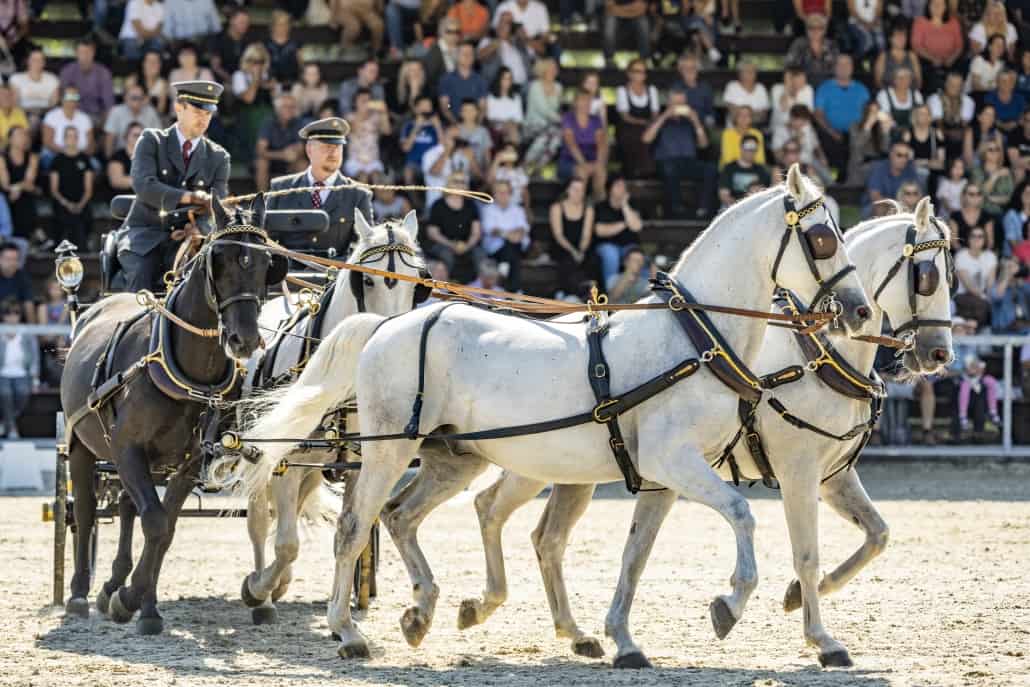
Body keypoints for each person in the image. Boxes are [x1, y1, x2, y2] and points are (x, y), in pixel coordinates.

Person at [116, 81, 230, 293]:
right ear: (179, 108)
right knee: (140, 278)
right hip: (145, 235)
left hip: (190, 239)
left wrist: (200, 229)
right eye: (197, 111)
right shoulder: (152, 140)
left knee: (204, 284)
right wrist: (190, 197)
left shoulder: (218, 157)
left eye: (208, 113)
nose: (203, 119)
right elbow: (143, 186)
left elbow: (218, 206)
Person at [267, 117, 373, 257]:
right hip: (288, 273)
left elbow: (365, 244)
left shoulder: (358, 195)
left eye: (337, 147)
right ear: (309, 149)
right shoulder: (281, 189)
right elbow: (265, 238)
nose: (333, 153)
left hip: (336, 274)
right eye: (327, 146)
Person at [642, 89, 715, 219]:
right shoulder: (660, 119)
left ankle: (703, 209)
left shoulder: (690, 122)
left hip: (688, 162)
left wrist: (696, 121)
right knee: (669, 169)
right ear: (669, 103)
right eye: (676, 103)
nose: (679, 106)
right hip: (666, 161)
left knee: (710, 169)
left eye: (682, 103)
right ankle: (676, 209)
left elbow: (703, 144)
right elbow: (646, 139)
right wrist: (664, 116)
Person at [814, 54, 870, 180]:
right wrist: (831, 131)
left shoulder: (862, 89)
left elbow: (868, 112)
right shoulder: (825, 88)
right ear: (834, 67)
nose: (844, 67)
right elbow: (818, 114)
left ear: (852, 67)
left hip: (856, 133)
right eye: (840, 64)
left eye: (847, 64)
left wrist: (861, 130)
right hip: (831, 133)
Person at [425, 172, 482, 282]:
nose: (460, 185)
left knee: (480, 255)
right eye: (456, 181)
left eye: (463, 182)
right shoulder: (438, 205)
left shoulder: (471, 205)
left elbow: (476, 232)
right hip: (443, 244)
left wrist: (467, 245)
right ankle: (445, 289)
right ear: (448, 184)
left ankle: (477, 289)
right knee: (446, 256)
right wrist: (451, 245)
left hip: (467, 244)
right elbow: (432, 233)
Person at [549, 176, 597, 296]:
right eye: (575, 189)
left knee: (592, 260)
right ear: (568, 190)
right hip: (562, 245)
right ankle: (571, 293)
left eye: (581, 190)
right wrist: (573, 251)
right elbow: (558, 235)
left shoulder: (588, 209)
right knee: (568, 260)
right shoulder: (557, 207)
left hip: (581, 245)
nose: (578, 193)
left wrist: (580, 250)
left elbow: (586, 235)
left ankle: (590, 293)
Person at [48, 127, 94, 250]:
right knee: (63, 218)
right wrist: (66, 204)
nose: (72, 139)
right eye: (69, 136)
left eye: (75, 136)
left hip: (81, 203)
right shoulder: (57, 160)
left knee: (82, 219)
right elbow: (54, 189)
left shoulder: (85, 159)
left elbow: (88, 188)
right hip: (62, 203)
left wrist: (80, 204)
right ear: (64, 139)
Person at [480, 180, 530, 291]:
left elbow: (523, 228)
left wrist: (515, 235)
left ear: (510, 194)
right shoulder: (488, 210)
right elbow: (491, 230)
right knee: (510, 249)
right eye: (499, 192)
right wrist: (508, 235)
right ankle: (515, 290)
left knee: (511, 248)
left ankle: (504, 276)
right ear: (494, 194)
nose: (503, 195)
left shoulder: (518, 209)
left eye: (506, 192)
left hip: (517, 245)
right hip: (495, 248)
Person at [593, 175, 642, 285]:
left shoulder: (631, 206)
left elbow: (636, 226)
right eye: (618, 186)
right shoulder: (600, 207)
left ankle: (636, 292)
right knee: (611, 253)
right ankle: (611, 289)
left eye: (624, 186)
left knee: (637, 256)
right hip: (606, 245)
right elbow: (600, 231)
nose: (622, 189)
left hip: (628, 246)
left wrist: (624, 205)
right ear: (610, 189)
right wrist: (625, 223)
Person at [559, 88, 608, 199]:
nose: (586, 103)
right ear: (575, 102)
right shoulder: (568, 118)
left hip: (592, 160)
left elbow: (601, 144)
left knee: (601, 172)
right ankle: (580, 204)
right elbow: (571, 144)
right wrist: (584, 163)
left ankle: (597, 204)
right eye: (583, 100)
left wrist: (599, 163)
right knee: (583, 172)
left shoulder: (596, 120)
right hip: (570, 160)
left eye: (589, 100)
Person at [0, 298, 38, 440]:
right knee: (5, 393)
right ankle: (13, 429)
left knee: (22, 393)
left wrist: (35, 378)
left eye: (15, 313)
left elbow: (35, 357)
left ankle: (6, 422)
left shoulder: (26, 332)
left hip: (22, 373)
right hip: (2, 374)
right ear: (3, 316)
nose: (12, 317)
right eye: (8, 313)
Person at [422, 124, 481, 207]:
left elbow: (479, 177)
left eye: (458, 138)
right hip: (438, 203)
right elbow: (434, 172)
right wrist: (446, 152)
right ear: (444, 137)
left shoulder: (463, 153)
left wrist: (472, 159)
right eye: (453, 138)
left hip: (462, 204)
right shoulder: (431, 154)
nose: (456, 141)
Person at [58, 36, 114, 122]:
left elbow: (108, 102)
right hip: (73, 113)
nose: (85, 56)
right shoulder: (67, 71)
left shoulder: (103, 73)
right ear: (76, 53)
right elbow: (64, 97)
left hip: (96, 115)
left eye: (88, 52)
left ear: (93, 53)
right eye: (82, 52)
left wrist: (106, 122)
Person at [256, 93, 304, 191]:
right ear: (277, 109)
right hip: (272, 161)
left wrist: (295, 153)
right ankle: (262, 199)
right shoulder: (268, 123)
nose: (289, 110)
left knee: (302, 164)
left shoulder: (298, 122)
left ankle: (301, 200)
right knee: (261, 163)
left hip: (291, 161)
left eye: (292, 107)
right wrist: (282, 155)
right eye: (285, 107)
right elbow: (260, 151)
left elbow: (301, 149)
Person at [912, 0, 964, 91]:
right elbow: (916, 46)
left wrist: (952, 58)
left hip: (950, 61)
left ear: (945, 7)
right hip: (927, 61)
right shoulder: (920, 22)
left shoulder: (953, 22)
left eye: (941, 4)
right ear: (928, 6)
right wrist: (932, 58)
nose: (937, 6)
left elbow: (959, 45)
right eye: (934, 4)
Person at [523, 58, 563, 172]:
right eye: (551, 69)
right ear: (544, 70)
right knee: (546, 136)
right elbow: (544, 110)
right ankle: (525, 164)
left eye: (555, 69)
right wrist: (561, 120)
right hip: (533, 125)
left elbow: (557, 109)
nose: (554, 71)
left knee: (557, 139)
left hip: (551, 126)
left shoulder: (559, 87)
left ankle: (538, 167)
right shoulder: (535, 86)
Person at [0, 126, 39, 244]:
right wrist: (16, 188)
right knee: (11, 198)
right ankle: (35, 234)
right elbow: (5, 183)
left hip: (23, 192)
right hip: (6, 193)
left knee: (25, 197)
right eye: (19, 135)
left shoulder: (32, 157)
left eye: (24, 135)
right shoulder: (2, 157)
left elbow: (29, 182)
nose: (23, 138)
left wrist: (17, 188)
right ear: (10, 139)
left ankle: (23, 238)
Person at [863, 139, 922, 217]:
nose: (903, 159)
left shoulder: (910, 169)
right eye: (899, 155)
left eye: (906, 156)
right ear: (891, 155)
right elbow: (875, 196)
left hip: (903, 206)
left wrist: (910, 202)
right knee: (880, 207)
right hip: (876, 206)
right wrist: (896, 204)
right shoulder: (879, 168)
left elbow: (918, 194)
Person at [102, 82, 161, 159]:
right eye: (134, 98)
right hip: (121, 154)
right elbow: (110, 138)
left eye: (141, 98)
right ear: (125, 98)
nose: (138, 101)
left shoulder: (151, 112)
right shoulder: (116, 112)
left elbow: (159, 137)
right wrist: (109, 159)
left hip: (146, 154)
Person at [344, 89, 392, 183]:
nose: (365, 103)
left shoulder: (376, 116)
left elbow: (387, 131)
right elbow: (354, 129)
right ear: (355, 102)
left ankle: (377, 198)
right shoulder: (349, 117)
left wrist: (384, 112)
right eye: (362, 100)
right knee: (363, 176)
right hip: (355, 161)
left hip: (373, 160)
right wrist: (363, 112)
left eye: (368, 100)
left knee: (377, 178)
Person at [41, 88, 94, 169]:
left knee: (95, 166)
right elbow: (47, 142)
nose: (72, 100)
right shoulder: (51, 116)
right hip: (55, 154)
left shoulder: (85, 118)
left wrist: (79, 155)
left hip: (80, 156)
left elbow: (90, 145)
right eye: (69, 96)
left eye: (75, 97)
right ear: (61, 99)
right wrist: (68, 154)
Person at [954, 226, 997, 325]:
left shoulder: (991, 256)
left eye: (980, 236)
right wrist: (985, 298)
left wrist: (990, 297)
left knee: (996, 303)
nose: (976, 239)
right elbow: (968, 285)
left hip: (983, 297)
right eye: (973, 236)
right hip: (962, 296)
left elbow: (990, 283)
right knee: (982, 305)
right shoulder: (961, 256)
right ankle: (973, 327)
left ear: (985, 239)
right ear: (968, 239)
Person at [928, 70, 975, 160]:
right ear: (946, 84)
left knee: (969, 132)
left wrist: (958, 133)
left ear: (962, 86)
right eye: (951, 84)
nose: (954, 87)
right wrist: (949, 133)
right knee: (937, 132)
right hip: (940, 133)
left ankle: (967, 163)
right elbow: (938, 123)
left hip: (959, 135)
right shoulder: (935, 99)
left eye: (958, 85)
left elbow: (964, 124)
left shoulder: (968, 101)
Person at [438, 41, 488, 125]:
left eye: (470, 53)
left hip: (475, 125)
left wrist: (476, 125)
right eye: (464, 53)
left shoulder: (480, 80)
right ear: (457, 56)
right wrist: (455, 123)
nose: (468, 56)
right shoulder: (446, 79)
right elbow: (445, 106)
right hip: (452, 124)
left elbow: (482, 107)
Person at [9, 48, 59, 130]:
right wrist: (30, 112)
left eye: (40, 60)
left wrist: (40, 112)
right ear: (28, 61)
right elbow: (15, 102)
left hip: (46, 112)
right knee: (33, 120)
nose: (37, 62)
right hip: (23, 112)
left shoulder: (52, 79)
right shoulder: (16, 78)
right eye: (34, 59)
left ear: (44, 63)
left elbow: (54, 102)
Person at [785, 14, 839, 88]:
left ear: (825, 30)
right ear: (806, 29)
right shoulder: (798, 44)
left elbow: (837, 70)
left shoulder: (831, 46)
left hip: (827, 86)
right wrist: (788, 91)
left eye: (819, 28)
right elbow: (789, 69)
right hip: (804, 85)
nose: (815, 31)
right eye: (811, 28)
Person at [719, 134, 771, 206]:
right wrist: (738, 206)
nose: (750, 151)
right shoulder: (729, 168)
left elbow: (763, 194)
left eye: (754, 148)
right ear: (741, 148)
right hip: (731, 207)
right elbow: (724, 195)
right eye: (748, 147)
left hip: (754, 207)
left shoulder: (761, 170)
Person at [971, 139, 1014, 215]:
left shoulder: (1006, 172)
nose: (994, 152)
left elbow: (1009, 197)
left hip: (1001, 212)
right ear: (984, 153)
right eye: (990, 149)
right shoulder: (977, 171)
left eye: (997, 149)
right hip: (981, 212)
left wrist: (990, 199)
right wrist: (996, 175)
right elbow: (979, 194)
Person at [208, 8, 249, 85]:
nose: (245, 25)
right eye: (241, 22)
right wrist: (231, 80)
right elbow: (216, 67)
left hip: (243, 80)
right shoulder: (218, 39)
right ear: (231, 21)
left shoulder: (249, 39)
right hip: (222, 81)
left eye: (247, 22)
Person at [723, 61, 770, 128]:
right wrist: (753, 113)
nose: (750, 73)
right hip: (734, 129)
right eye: (747, 71)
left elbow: (763, 114)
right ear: (740, 74)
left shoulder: (761, 88)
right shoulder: (732, 86)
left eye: (753, 71)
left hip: (755, 128)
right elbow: (732, 111)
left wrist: (742, 114)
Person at [876, 66, 924, 131]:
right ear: (893, 80)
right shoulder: (883, 94)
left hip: (912, 132)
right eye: (899, 78)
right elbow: (883, 116)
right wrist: (900, 131)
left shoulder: (916, 94)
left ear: (911, 80)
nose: (903, 80)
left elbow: (921, 115)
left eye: (907, 77)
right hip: (890, 131)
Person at [603, 0, 650, 65]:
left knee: (643, 24)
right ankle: (609, 60)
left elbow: (642, 8)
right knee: (609, 25)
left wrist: (620, 9)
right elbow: (609, 7)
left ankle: (644, 60)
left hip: (635, 16)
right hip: (618, 15)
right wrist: (631, 9)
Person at [485, 67, 524, 146]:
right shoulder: (491, 97)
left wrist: (510, 124)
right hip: (497, 128)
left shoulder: (516, 97)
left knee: (512, 130)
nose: (507, 82)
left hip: (512, 127)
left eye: (509, 79)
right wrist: (504, 124)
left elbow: (519, 119)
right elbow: (490, 118)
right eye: (504, 79)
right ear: (499, 80)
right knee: (510, 131)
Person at [107, 122, 143, 192]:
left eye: (142, 136)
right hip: (122, 199)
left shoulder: (148, 157)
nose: (139, 138)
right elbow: (116, 181)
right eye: (136, 135)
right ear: (126, 136)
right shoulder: (117, 156)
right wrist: (145, 181)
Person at [0, 243, 32, 322]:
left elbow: (28, 304)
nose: (12, 263)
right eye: (8, 259)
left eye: (15, 259)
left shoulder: (22, 277)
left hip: (17, 324)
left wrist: (32, 330)